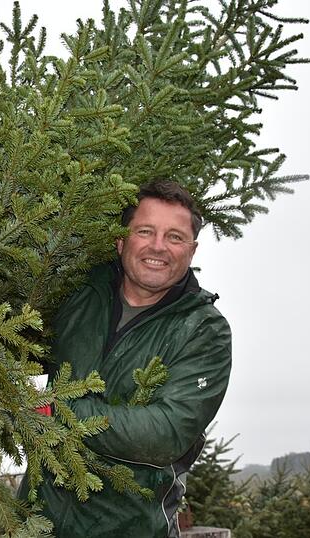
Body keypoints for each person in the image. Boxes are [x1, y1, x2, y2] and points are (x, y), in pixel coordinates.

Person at [25, 180, 232, 537]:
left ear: (192, 250)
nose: (158, 246)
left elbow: (167, 433)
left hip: (133, 527)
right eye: (145, 231)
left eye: (175, 237)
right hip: (35, 523)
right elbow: (8, 342)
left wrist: (58, 410)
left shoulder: (203, 330)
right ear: (121, 240)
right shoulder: (79, 295)